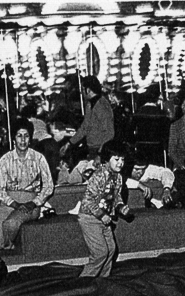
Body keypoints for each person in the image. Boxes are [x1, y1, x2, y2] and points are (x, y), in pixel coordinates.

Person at [0, 118, 54, 251]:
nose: (23, 140)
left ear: (30, 139)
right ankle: (1, 240)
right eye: (19, 136)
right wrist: (13, 203)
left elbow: (48, 185)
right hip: (8, 203)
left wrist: (34, 202)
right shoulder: (5, 159)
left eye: (26, 136)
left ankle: (10, 243)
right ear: (13, 139)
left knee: (11, 224)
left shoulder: (39, 158)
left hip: (30, 204)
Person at [77, 143, 131, 278]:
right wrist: (101, 215)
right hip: (90, 218)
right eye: (117, 159)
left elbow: (116, 196)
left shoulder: (118, 177)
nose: (120, 163)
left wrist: (121, 207)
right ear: (107, 159)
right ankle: (85, 281)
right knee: (100, 252)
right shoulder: (99, 176)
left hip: (105, 218)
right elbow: (88, 200)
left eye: (122, 160)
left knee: (111, 249)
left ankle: (103, 279)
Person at [62, 76, 115, 161]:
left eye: (83, 90)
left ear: (88, 90)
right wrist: (69, 143)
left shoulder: (102, 105)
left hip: (99, 149)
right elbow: (84, 127)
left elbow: (109, 133)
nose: (82, 93)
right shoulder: (90, 105)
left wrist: (100, 153)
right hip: (92, 148)